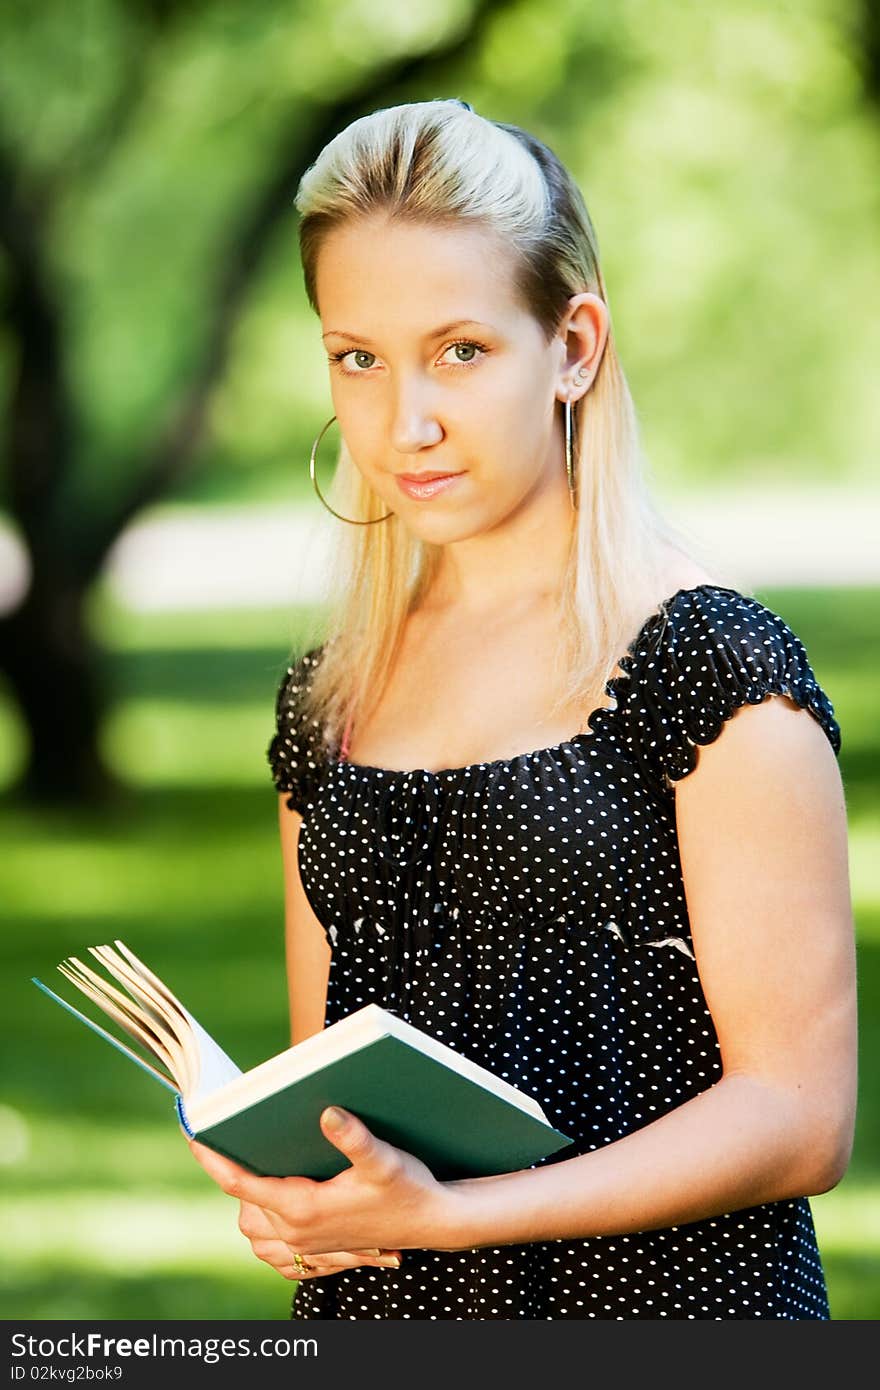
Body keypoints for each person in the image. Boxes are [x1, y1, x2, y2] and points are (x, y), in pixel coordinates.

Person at [189, 98, 857, 1320]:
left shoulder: (704, 661)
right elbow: (336, 1095)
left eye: (461, 350)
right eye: (358, 358)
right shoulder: (329, 698)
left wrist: (458, 1215)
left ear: (573, 346)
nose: (407, 424)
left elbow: (800, 1117)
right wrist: (307, 1202)